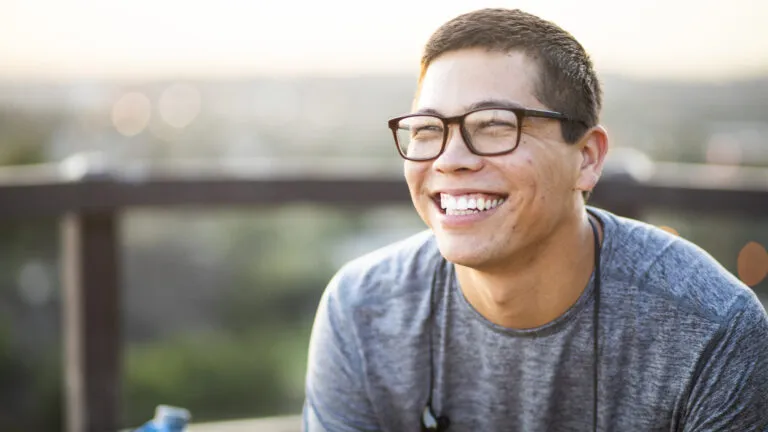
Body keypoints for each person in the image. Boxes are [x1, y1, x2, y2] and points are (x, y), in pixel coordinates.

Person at [302, 8, 768, 431]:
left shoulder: (711, 330)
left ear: (586, 158)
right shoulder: (363, 309)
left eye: (495, 125)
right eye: (427, 130)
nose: (449, 159)